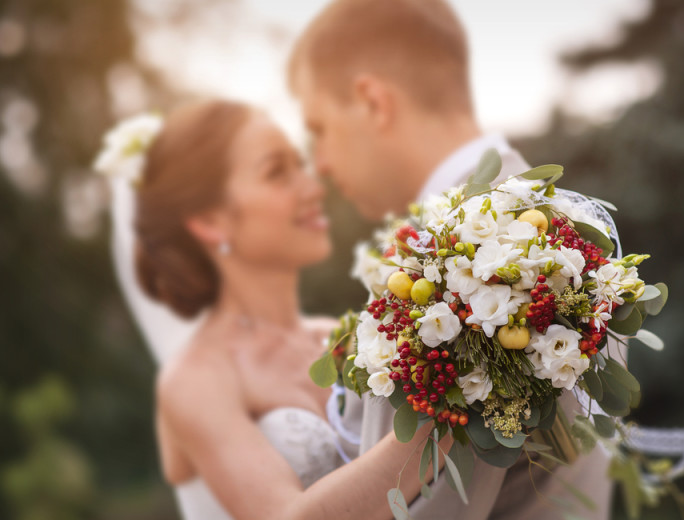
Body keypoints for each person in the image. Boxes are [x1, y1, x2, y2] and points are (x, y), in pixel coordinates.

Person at [288, 0, 619, 518]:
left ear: (372, 101)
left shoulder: (458, 268)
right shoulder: (565, 233)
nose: (322, 163)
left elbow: (409, 505)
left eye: (319, 128)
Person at [100, 99, 451, 520]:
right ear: (210, 221)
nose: (313, 188)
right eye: (276, 172)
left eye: (300, 165)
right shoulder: (195, 379)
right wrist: (452, 408)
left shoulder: (350, 335)